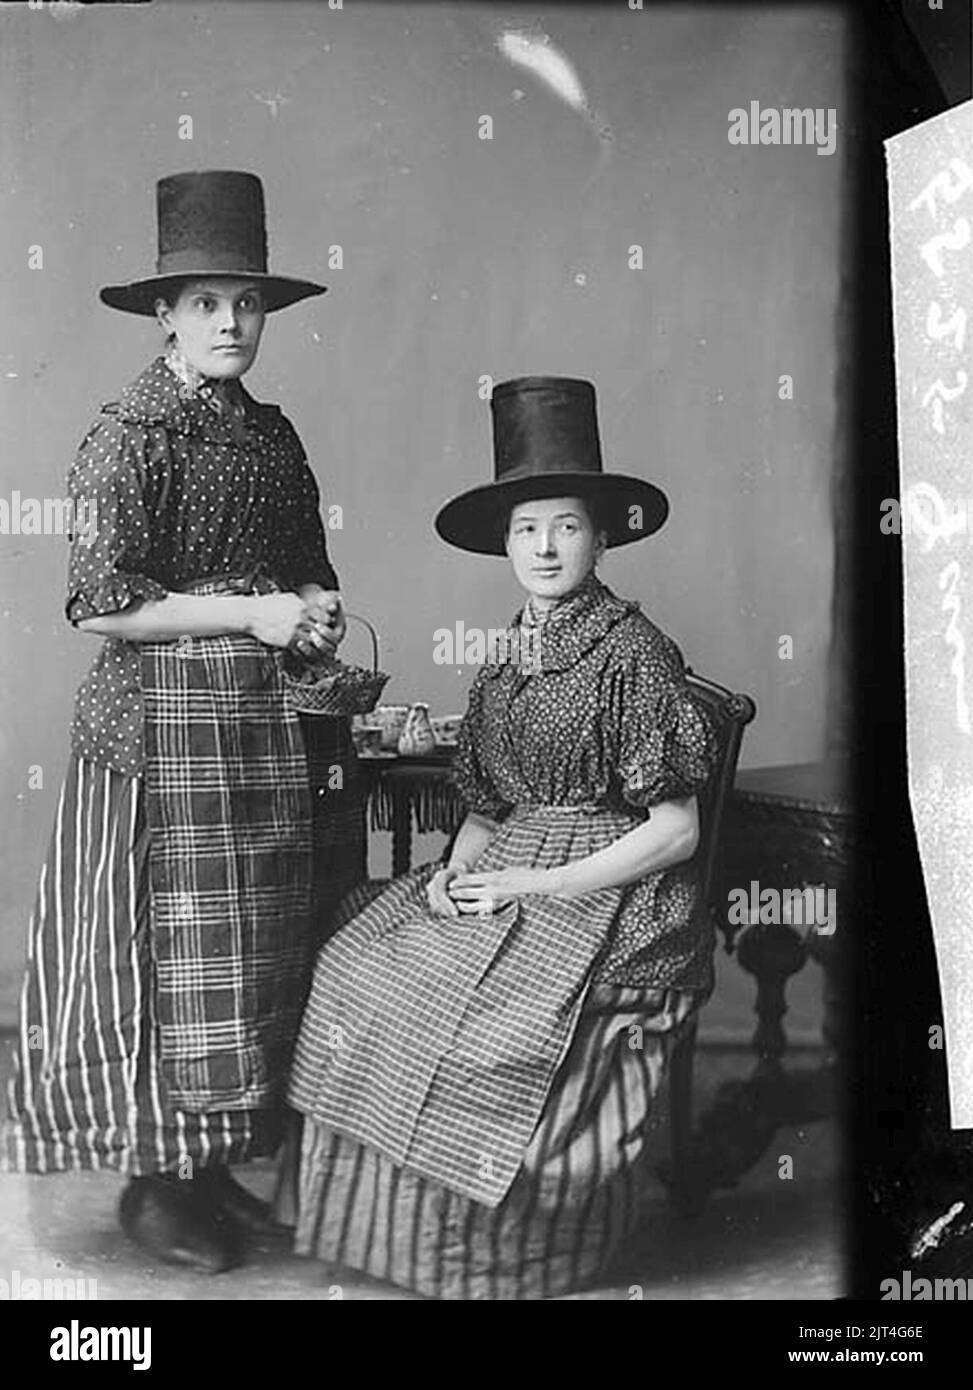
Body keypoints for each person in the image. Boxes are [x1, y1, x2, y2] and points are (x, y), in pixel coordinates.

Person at [285, 376, 719, 1299]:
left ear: (602, 539)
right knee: (362, 964)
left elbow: (676, 830)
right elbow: (485, 810)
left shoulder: (633, 653)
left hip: (613, 891)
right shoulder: (506, 654)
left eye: (566, 525)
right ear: (506, 544)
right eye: (527, 528)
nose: (546, 546)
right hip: (515, 866)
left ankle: (491, 1259)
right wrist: (453, 874)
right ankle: (387, 1237)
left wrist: (536, 890)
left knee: (478, 1022)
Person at [1, 169, 359, 1273]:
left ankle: (210, 1173)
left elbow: (307, 574)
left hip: (254, 734)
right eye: (206, 303)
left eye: (246, 303)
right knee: (156, 955)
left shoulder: (269, 438)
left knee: (243, 957)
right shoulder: (129, 435)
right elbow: (105, 603)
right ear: (164, 313)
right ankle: (153, 1187)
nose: (230, 324)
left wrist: (313, 614)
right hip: (151, 741)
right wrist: (254, 612)